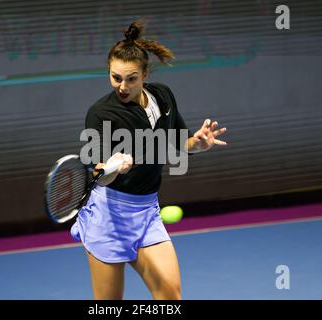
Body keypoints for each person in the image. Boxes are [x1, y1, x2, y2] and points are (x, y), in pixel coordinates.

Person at [71, 20, 227, 300]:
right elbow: (99, 175)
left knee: (170, 297)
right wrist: (113, 167)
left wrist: (199, 144)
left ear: (145, 73)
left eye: (131, 78)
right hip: (109, 216)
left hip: (147, 212)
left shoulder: (163, 96)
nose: (122, 86)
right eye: (115, 77)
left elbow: (180, 143)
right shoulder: (101, 114)